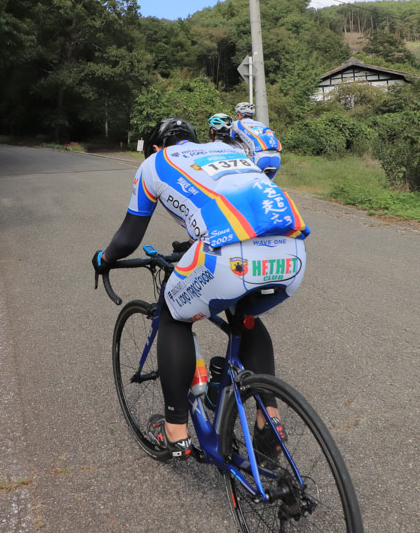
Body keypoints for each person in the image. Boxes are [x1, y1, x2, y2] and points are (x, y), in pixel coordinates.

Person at [93, 117, 308, 460]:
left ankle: (175, 430)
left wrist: (103, 259)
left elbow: (129, 238)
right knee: (244, 316)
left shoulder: (155, 163)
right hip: (292, 251)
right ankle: (270, 417)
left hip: (228, 254)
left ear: (154, 147)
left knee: (173, 315)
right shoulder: (227, 149)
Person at [231, 101, 282, 179]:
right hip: (276, 157)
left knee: (249, 184)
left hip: (259, 157)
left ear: (239, 114)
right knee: (268, 186)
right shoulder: (261, 124)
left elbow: (230, 142)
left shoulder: (236, 124)